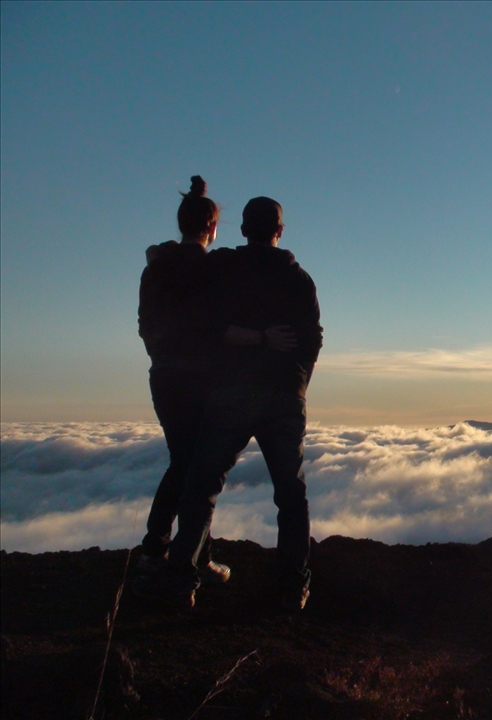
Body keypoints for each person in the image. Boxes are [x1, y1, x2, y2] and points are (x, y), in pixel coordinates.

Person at [165, 195, 323, 611]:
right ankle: (292, 588)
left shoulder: (223, 268)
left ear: (241, 230)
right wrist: (297, 383)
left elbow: (200, 319)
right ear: (280, 231)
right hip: (284, 397)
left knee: (202, 485)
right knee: (291, 494)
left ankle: (182, 581)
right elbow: (313, 340)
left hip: (230, 392)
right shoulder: (299, 279)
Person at [137, 177, 295, 587]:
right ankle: (181, 558)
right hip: (201, 379)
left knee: (184, 462)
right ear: (212, 228)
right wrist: (260, 338)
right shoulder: (210, 269)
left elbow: (147, 323)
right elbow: (211, 327)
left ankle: (163, 549)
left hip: (162, 376)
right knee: (196, 472)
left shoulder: (155, 267)